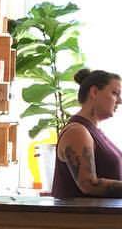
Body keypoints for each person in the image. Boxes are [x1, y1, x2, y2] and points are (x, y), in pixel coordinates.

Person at [52, 68, 122, 197]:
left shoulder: (94, 132)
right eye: (114, 93)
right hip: (82, 217)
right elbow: (89, 184)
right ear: (94, 92)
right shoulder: (77, 132)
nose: (119, 101)